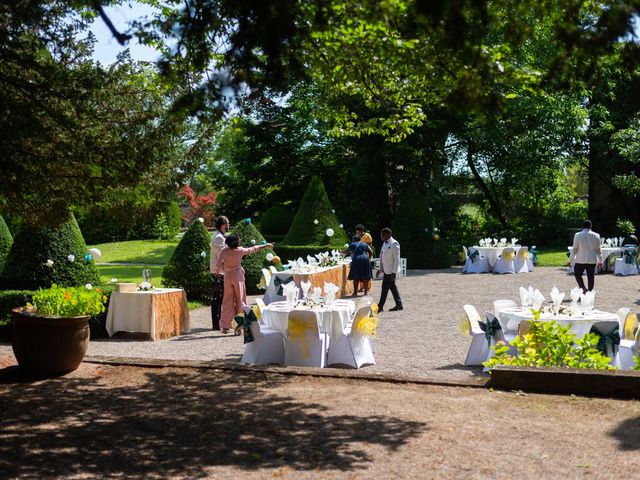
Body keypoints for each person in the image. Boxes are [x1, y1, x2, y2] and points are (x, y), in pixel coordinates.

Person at [215, 234, 273, 334]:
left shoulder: (224, 251)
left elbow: (217, 265)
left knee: (227, 301)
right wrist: (265, 245)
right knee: (240, 300)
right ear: (237, 242)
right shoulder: (240, 250)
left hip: (228, 276)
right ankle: (239, 326)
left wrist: (220, 271)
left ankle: (225, 326)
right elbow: (253, 249)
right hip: (238, 276)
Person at [571, 220, 602, 293]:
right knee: (591, 277)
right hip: (592, 259)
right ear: (591, 226)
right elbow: (598, 250)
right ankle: (590, 291)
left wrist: (571, 259)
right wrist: (600, 260)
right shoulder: (596, 235)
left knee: (577, 274)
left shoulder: (577, 235)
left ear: (583, 226)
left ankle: (583, 288)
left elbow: (575, 248)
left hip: (580, 259)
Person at [210, 216, 229, 331]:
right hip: (219, 272)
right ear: (223, 225)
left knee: (219, 298)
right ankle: (216, 324)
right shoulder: (219, 238)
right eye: (227, 223)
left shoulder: (219, 236)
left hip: (220, 271)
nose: (229, 225)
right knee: (217, 298)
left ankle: (218, 322)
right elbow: (221, 257)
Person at [376, 227, 403, 312]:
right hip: (386, 270)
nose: (381, 236)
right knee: (392, 287)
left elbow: (397, 259)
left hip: (391, 271)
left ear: (388, 234)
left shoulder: (394, 243)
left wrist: (394, 272)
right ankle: (399, 305)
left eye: (383, 234)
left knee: (384, 288)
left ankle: (380, 306)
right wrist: (380, 269)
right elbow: (382, 257)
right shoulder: (385, 243)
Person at [355, 224, 373, 292]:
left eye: (358, 231)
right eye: (357, 231)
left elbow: (369, 246)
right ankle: (362, 287)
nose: (357, 233)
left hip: (367, 256)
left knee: (366, 273)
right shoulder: (358, 237)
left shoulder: (367, 236)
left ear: (362, 230)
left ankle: (367, 287)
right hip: (361, 257)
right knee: (361, 272)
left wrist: (368, 257)